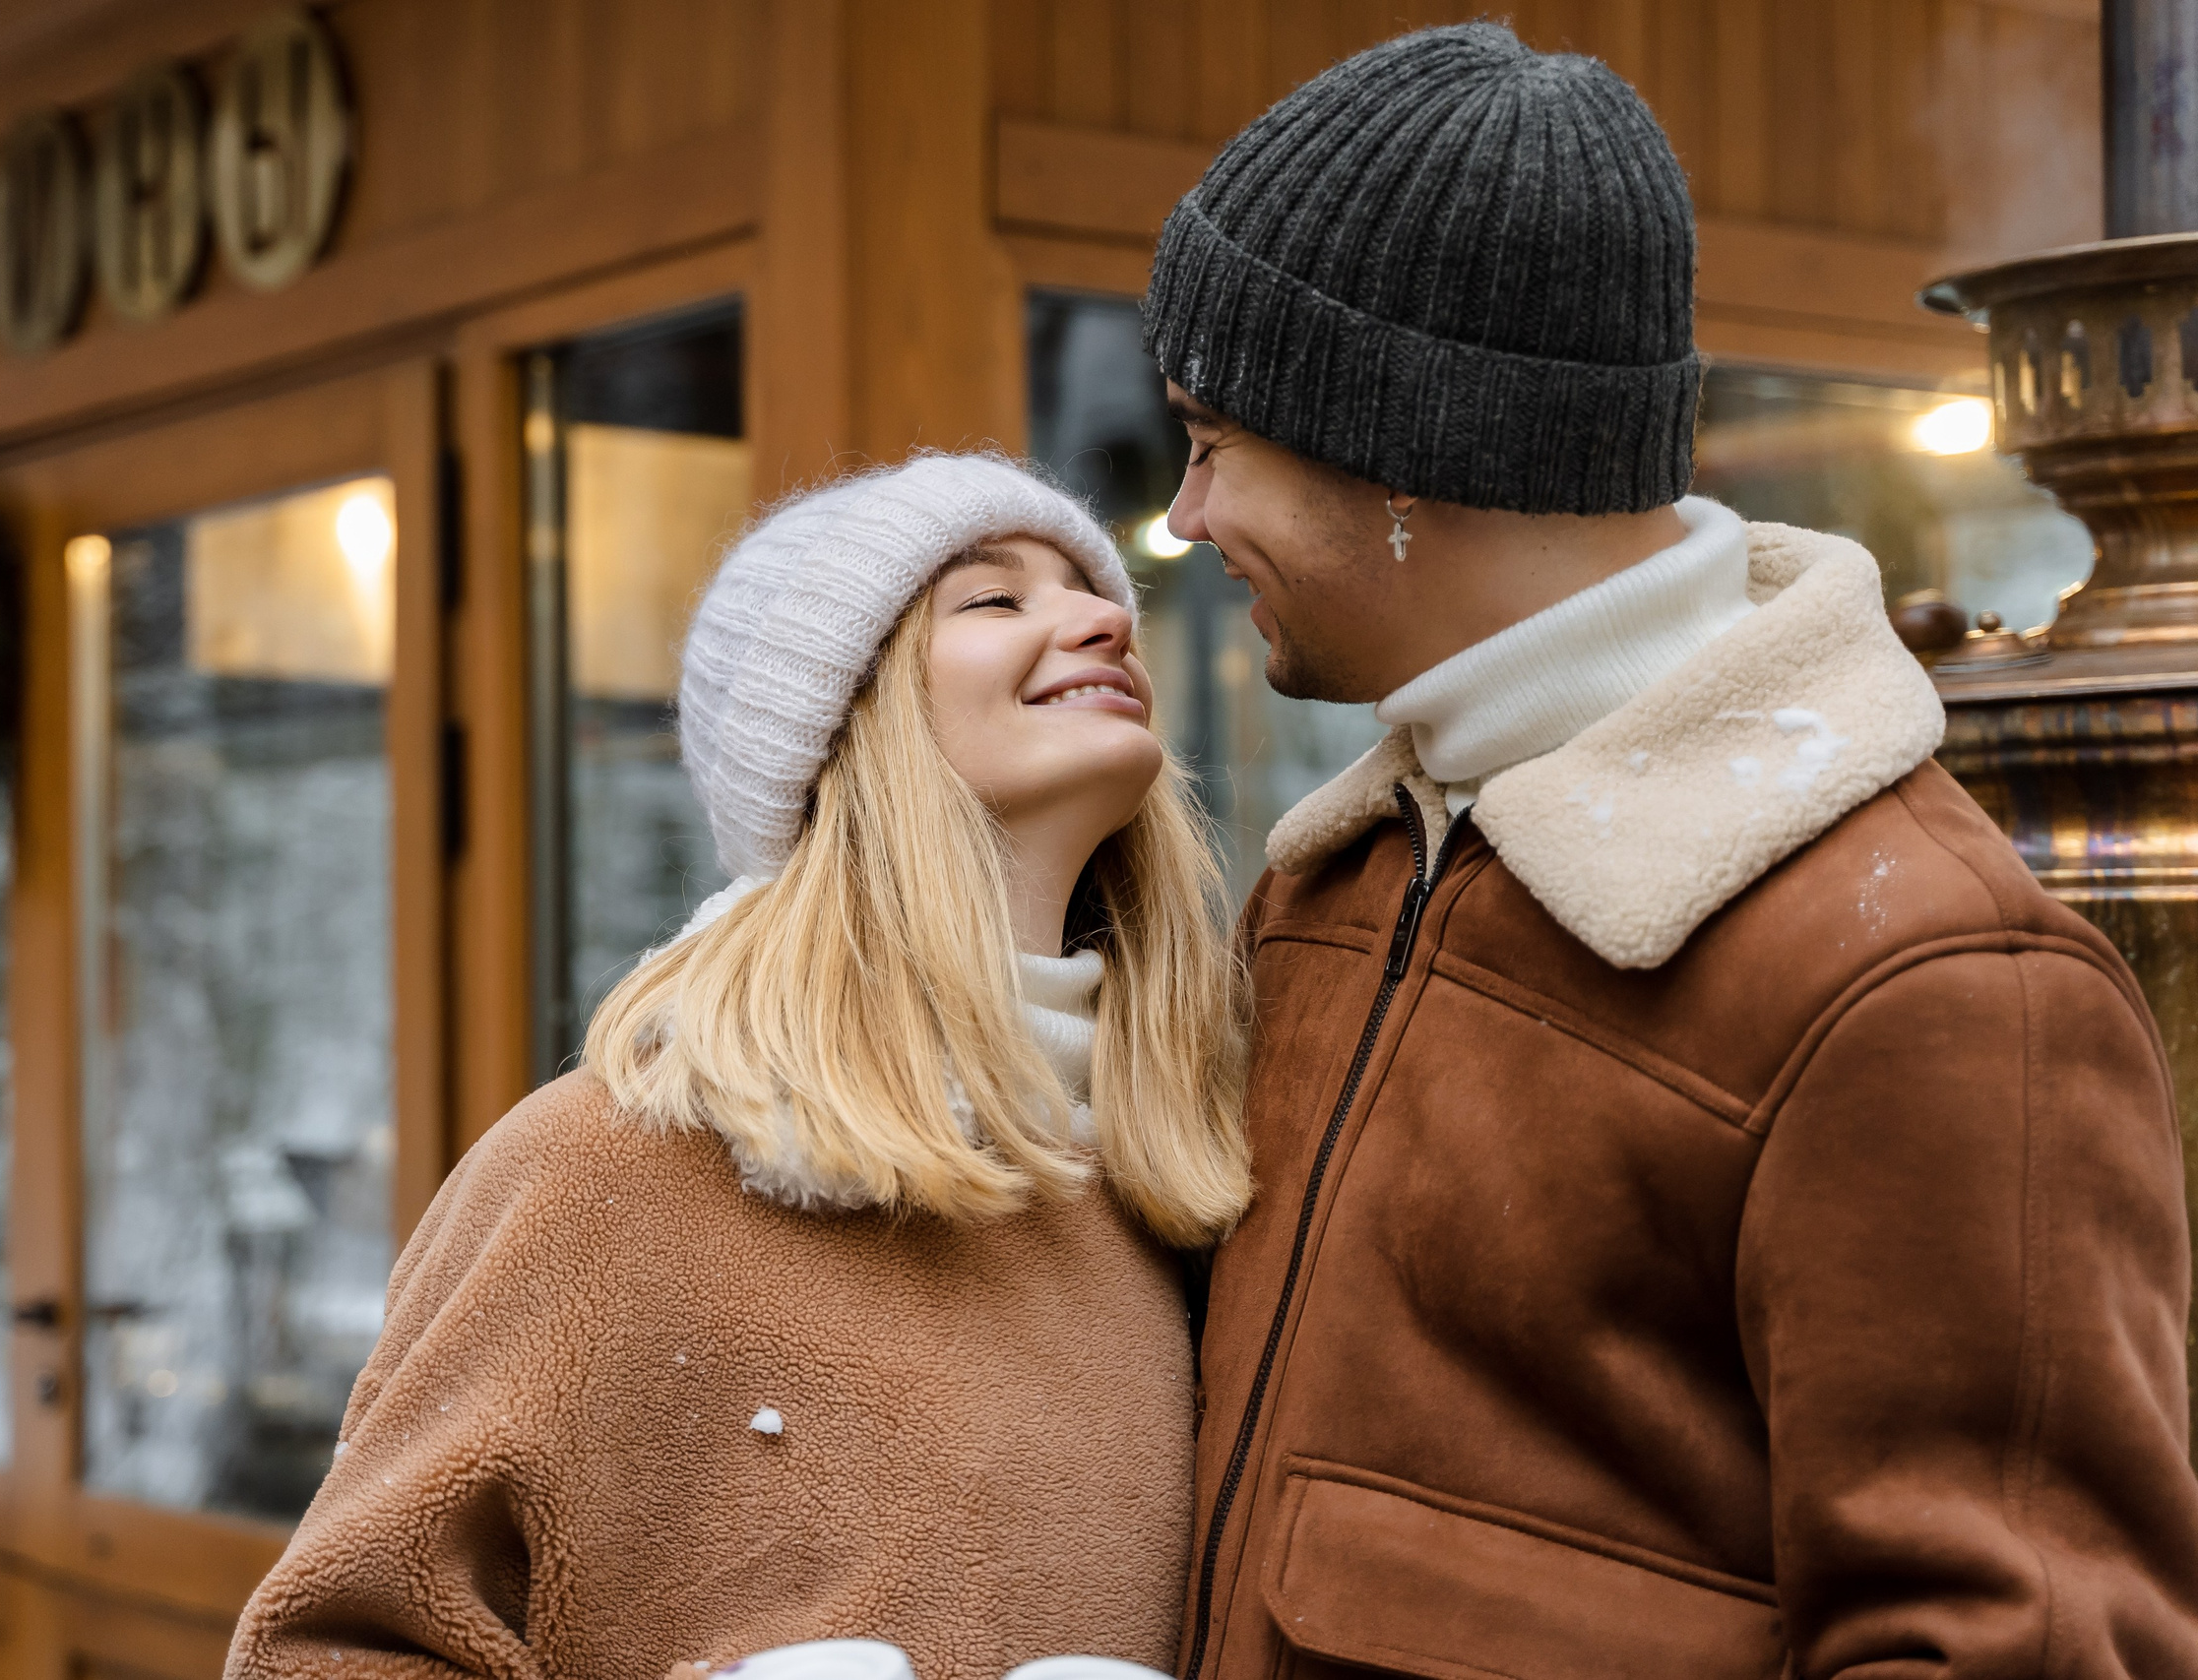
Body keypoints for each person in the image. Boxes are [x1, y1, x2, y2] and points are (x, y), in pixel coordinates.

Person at [1146, 23, 2198, 1680]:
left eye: (1214, 439)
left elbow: (2011, 1645)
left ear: (1405, 448)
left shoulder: (1926, 980)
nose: (1188, 515)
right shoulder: (1327, 890)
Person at [225, 454, 1250, 1680]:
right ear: (834, 723)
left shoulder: (1196, 1175)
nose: (1102, 618)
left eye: (1097, 596)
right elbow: (323, 1654)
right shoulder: (608, 1169)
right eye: (993, 600)